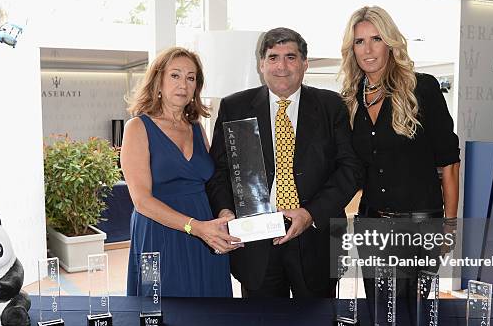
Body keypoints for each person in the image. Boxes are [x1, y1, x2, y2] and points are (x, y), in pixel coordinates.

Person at [207, 27, 364, 298]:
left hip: (317, 239)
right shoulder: (235, 107)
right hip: (255, 244)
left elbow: (350, 169)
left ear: (304, 64)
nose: (281, 66)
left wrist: (310, 213)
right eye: (273, 57)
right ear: (261, 64)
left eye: (291, 57)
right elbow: (219, 172)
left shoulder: (331, 106)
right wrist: (224, 212)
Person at [339, 6, 460, 321]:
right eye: (359, 41)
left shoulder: (422, 88)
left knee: (414, 318)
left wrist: (449, 225)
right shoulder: (350, 100)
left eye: (376, 39)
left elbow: (449, 162)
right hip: (371, 225)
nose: (367, 49)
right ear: (351, 49)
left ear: (390, 43)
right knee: (380, 317)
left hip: (419, 226)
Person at [121, 47, 240, 297]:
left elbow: (212, 182)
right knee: (162, 317)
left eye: (191, 77)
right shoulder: (137, 127)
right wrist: (195, 227)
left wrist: (224, 213)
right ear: (158, 81)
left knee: (211, 317)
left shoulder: (196, 128)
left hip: (206, 235)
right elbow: (141, 201)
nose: (183, 84)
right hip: (158, 234)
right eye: (175, 75)